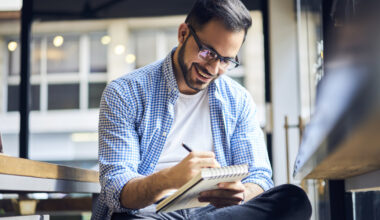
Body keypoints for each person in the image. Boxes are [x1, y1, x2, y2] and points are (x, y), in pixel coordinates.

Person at [92, 0, 311, 219]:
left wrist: (241, 193)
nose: (214, 69)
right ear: (183, 34)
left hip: (215, 213)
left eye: (226, 60)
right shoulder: (125, 92)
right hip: (150, 214)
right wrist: (170, 178)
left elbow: (260, 176)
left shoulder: (238, 99)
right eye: (208, 53)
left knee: (293, 199)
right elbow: (115, 190)